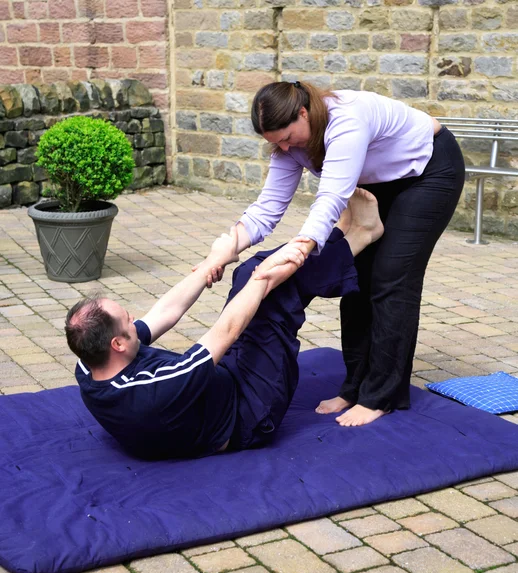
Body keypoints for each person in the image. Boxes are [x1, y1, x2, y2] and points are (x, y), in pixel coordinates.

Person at [207, 80, 465, 427]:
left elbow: (330, 199)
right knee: (355, 275)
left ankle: (380, 397)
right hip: (378, 182)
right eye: (276, 143)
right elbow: (268, 207)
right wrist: (226, 248)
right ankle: (354, 387)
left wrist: (296, 254)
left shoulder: (345, 120)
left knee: (391, 278)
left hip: (429, 172)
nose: (284, 147)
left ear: (303, 113)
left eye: (287, 137)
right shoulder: (288, 143)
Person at [64, 192, 383, 460]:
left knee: (248, 273)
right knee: (271, 285)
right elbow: (225, 332)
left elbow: (165, 311)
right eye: (128, 322)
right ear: (116, 344)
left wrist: (209, 266)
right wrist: (266, 276)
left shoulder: (90, 360)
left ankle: (339, 237)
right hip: (250, 413)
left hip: (218, 387)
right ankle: (361, 234)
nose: (135, 321)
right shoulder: (154, 391)